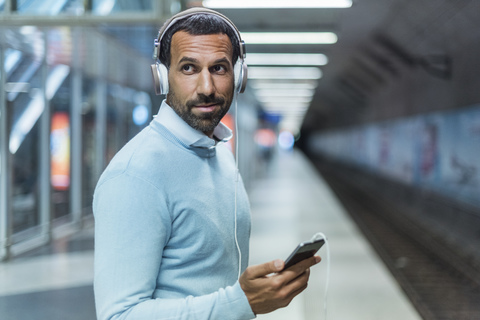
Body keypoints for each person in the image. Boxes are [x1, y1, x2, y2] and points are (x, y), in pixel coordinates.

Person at [93, 8, 321, 320]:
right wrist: (242, 303)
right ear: (162, 77)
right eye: (188, 68)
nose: (206, 87)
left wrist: (256, 294)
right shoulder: (135, 174)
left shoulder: (219, 153)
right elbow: (119, 315)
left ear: (238, 77)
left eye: (219, 68)